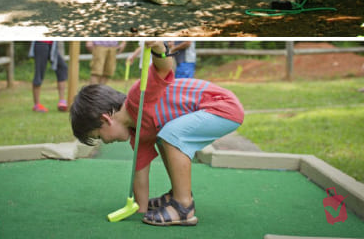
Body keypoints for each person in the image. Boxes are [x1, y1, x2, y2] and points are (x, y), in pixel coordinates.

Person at [69, 41, 244, 227]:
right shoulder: (138, 135)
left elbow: (163, 68)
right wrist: (140, 207)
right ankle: (177, 193)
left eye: (98, 136)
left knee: (169, 133)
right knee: (164, 137)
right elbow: (140, 172)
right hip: (210, 111)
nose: (104, 141)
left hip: (221, 106)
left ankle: (183, 206)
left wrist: (159, 49)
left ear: (106, 119)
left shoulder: (139, 95)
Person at [29, 41, 68, 112]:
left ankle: (62, 101)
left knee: (62, 67)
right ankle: (37, 105)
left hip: (52, 45)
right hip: (41, 43)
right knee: (39, 72)